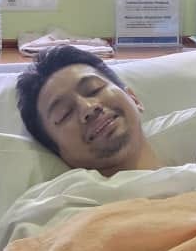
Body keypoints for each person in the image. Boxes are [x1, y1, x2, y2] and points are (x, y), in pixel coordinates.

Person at [16, 44, 162, 176]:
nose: (88, 108)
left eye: (94, 89)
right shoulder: (66, 197)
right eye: (64, 114)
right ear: (58, 152)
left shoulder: (177, 171)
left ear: (133, 98)